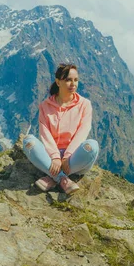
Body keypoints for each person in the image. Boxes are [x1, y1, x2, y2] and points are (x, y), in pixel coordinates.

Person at [23, 63, 99, 194]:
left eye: (76, 80)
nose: (73, 84)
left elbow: (82, 132)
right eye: (68, 80)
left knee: (92, 146)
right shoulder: (45, 106)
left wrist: (67, 156)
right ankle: (62, 178)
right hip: (51, 157)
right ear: (58, 82)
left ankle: (52, 176)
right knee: (28, 142)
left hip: (74, 157)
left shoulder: (85, 105)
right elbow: (45, 134)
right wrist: (55, 157)